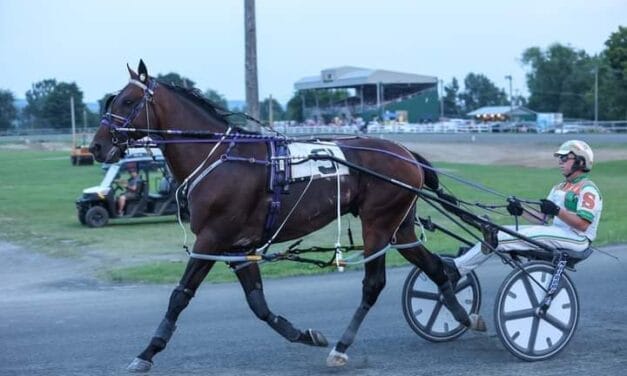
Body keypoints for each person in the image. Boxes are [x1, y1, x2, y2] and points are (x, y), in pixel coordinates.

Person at [443, 140, 603, 282]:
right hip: (558, 233)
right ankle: (459, 266)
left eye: (564, 158)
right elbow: (541, 219)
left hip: (577, 239)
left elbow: (582, 224)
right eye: (559, 158)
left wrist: (557, 211)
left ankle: (456, 269)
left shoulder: (588, 189)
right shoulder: (559, 187)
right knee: (496, 233)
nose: (560, 162)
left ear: (581, 162)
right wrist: (520, 210)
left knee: (501, 239)